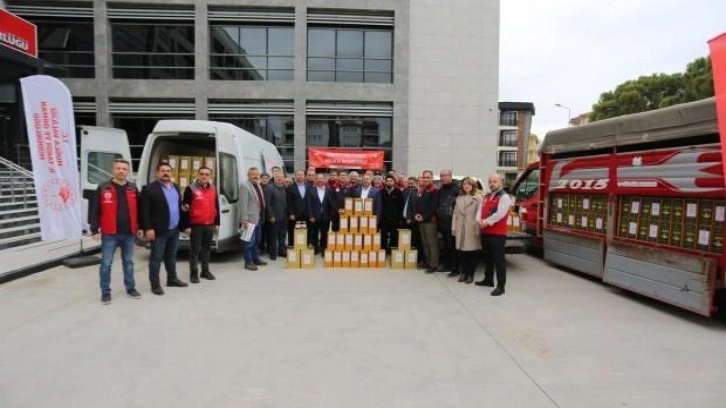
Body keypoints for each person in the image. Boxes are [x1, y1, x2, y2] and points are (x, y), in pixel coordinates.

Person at [89, 159, 143, 305]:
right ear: (113, 170)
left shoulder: (133, 188)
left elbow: (139, 210)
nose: (121, 171)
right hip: (109, 233)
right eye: (118, 168)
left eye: (124, 169)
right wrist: (94, 229)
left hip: (129, 233)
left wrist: (140, 227)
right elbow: (95, 210)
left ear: (128, 172)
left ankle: (130, 288)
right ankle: (105, 292)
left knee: (129, 262)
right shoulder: (103, 187)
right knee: (106, 263)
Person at [140, 162, 188, 295]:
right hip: (159, 230)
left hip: (174, 229)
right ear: (157, 172)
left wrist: (183, 224)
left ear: (171, 173)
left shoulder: (176, 188)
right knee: (156, 257)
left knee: (171, 256)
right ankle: (155, 285)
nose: (165, 173)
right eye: (162, 171)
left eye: (168, 171)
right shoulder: (149, 189)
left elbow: (178, 207)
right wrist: (148, 228)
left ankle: (172, 279)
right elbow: (144, 211)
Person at [181, 166, 220, 283]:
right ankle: (193, 273)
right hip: (196, 225)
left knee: (206, 249)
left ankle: (205, 271)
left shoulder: (213, 188)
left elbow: (216, 206)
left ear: (210, 176)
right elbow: (185, 209)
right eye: (202, 174)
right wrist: (186, 226)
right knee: (195, 250)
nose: (204, 176)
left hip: (209, 224)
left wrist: (217, 222)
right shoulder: (190, 189)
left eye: (207, 174)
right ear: (197, 175)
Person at [476, 174, 512, 296]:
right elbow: (480, 210)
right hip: (485, 232)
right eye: (490, 181)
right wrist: (479, 221)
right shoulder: (486, 196)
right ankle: (488, 280)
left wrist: (485, 222)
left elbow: (500, 214)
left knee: (499, 260)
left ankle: (501, 286)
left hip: (497, 234)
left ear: (500, 183)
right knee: (488, 258)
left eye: (495, 181)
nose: (492, 183)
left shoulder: (504, 197)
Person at [451, 177, 482, 284]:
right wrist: (454, 228)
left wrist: (478, 229)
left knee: (472, 253)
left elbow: (480, 215)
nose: (466, 186)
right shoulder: (459, 198)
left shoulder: (478, 198)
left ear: (473, 186)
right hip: (460, 229)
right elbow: (455, 215)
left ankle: (470, 274)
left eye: (469, 184)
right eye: (464, 184)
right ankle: (463, 273)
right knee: (462, 253)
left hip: (472, 229)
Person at [239, 167, 268, 271]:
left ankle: (256, 259)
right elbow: (243, 204)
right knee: (249, 242)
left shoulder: (258, 185)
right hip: (249, 219)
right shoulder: (244, 186)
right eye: (253, 174)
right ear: (248, 175)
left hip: (259, 217)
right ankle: (248, 262)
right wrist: (244, 219)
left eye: (257, 174)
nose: (255, 176)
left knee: (257, 240)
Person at [411, 170, 439, 273]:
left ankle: (433, 264)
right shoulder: (422, 190)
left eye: (428, 177)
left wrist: (424, 217)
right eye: (424, 177)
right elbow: (419, 204)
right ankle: (428, 262)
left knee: (432, 243)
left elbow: (433, 207)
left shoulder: (435, 191)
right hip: (421, 220)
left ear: (432, 178)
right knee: (425, 243)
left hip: (430, 221)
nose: (426, 179)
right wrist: (417, 215)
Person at [307, 173, 337, 254]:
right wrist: (311, 216)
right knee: (314, 234)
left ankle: (324, 249)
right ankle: (315, 249)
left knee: (324, 234)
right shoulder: (311, 190)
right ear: (315, 180)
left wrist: (331, 215)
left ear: (324, 180)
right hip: (314, 217)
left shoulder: (329, 190)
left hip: (325, 216)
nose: (319, 180)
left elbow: (331, 204)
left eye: (321, 178)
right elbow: (309, 205)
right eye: (318, 178)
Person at [437, 169, 460, 273]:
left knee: (453, 246)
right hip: (443, 223)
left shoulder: (457, 189)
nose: (442, 178)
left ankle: (455, 267)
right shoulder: (441, 189)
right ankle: (447, 265)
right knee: (446, 245)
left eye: (445, 176)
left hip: (454, 223)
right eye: (441, 176)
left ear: (450, 176)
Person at [264, 171, 289, 260]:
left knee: (282, 235)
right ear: (274, 178)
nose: (279, 178)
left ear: (283, 178)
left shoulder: (285, 188)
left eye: (281, 177)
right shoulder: (269, 188)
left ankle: (282, 251)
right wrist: (271, 216)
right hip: (274, 217)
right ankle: (273, 253)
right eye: (277, 177)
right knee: (273, 236)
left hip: (284, 216)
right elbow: (267, 204)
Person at [378, 174, 403, 252]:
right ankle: (383, 250)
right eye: (387, 181)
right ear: (384, 182)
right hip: (383, 218)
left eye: (391, 181)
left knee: (394, 235)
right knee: (383, 235)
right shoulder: (381, 192)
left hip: (394, 218)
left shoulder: (398, 192)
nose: (389, 182)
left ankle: (393, 251)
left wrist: (399, 218)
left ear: (394, 182)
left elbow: (401, 206)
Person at [287, 169, 309, 245]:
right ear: (295, 176)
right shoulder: (290, 187)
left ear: (305, 176)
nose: (300, 176)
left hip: (306, 214)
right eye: (298, 175)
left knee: (305, 231)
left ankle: (303, 246)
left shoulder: (309, 187)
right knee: (292, 231)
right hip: (295, 214)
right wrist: (291, 213)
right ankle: (292, 245)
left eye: (301, 174)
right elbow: (289, 202)